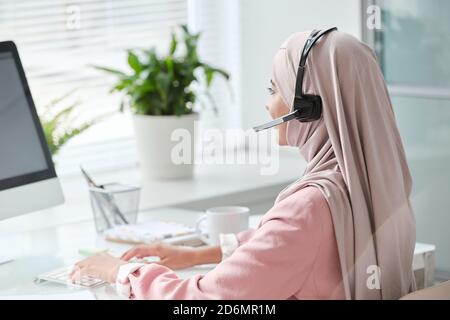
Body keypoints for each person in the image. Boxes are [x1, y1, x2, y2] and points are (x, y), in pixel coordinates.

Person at [70, 29, 416, 300]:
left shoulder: (309, 207)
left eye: (273, 89)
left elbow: (202, 298)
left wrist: (116, 271)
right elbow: (285, 248)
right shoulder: (378, 183)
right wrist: (193, 255)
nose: (267, 105)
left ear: (308, 107)